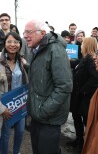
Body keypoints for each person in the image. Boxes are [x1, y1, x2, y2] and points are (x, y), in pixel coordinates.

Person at [23, 20, 73, 154]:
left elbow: (64, 86)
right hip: (38, 117)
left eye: (29, 32)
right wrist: (26, 65)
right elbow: (43, 73)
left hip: (48, 119)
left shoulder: (55, 49)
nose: (25, 36)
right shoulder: (39, 49)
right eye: (24, 32)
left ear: (42, 33)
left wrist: (43, 111)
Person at [0, 31, 28, 154]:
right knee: (5, 135)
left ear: (20, 45)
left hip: (20, 104)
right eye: (9, 41)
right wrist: (1, 109)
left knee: (21, 132)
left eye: (16, 42)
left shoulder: (21, 61)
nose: (13, 44)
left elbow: (25, 82)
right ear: (4, 43)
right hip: (5, 106)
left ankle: (16, 152)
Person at [68, 37, 98, 152]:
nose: (80, 46)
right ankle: (79, 140)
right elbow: (75, 63)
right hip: (79, 97)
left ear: (87, 45)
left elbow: (95, 79)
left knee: (86, 121)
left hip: (85, 98)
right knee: (76, 118)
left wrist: (82, 90)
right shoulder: (85, 58)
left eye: (82, 44)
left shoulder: (91, 60)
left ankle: (86, 144)